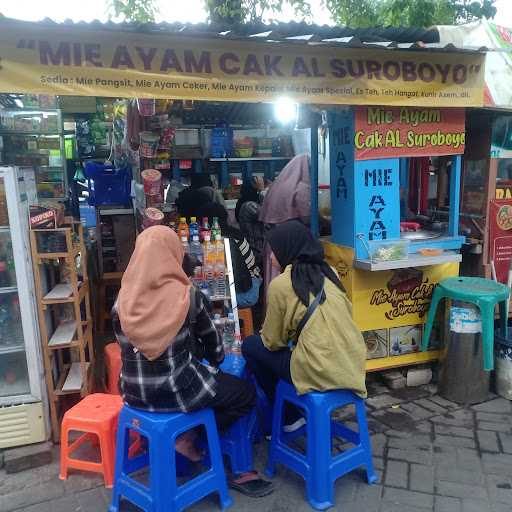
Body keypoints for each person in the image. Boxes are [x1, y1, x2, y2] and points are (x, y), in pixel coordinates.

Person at [112, 226, 272, 497]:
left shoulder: (122, 300)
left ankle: (178, 438)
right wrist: (216, 357)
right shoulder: (187, 295)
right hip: (178, 391)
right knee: (244, 394)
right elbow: (213, 346)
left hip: (134, 393)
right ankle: (191, 437)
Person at [242, 220, 367, 428]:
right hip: (352, 362)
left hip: (319, 369)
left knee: (252, 346)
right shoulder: (330, 272)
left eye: (275, 251)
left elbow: (272, 342)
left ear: (289, 250)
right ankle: (293, 411)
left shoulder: (281, 285)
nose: (272, 258)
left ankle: (289, 417)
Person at [258, 154, 311, 299]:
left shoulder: (277, 184)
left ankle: (270, 316)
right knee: (286, 284)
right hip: (288, 245)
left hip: (272, 241)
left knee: (273, 282)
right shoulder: (302, 186)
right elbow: (307, 216)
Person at [199, 202, 262, 308]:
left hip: (247, 290)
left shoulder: (225, 242)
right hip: (250, 281)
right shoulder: (233, 233)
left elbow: (229, 279)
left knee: (205, 299)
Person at [237, 177, 266, 268]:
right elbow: (269, 213)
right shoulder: (249, 206)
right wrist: (262, 190)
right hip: (257, 253)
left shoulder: (242, 203)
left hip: (256, 251)